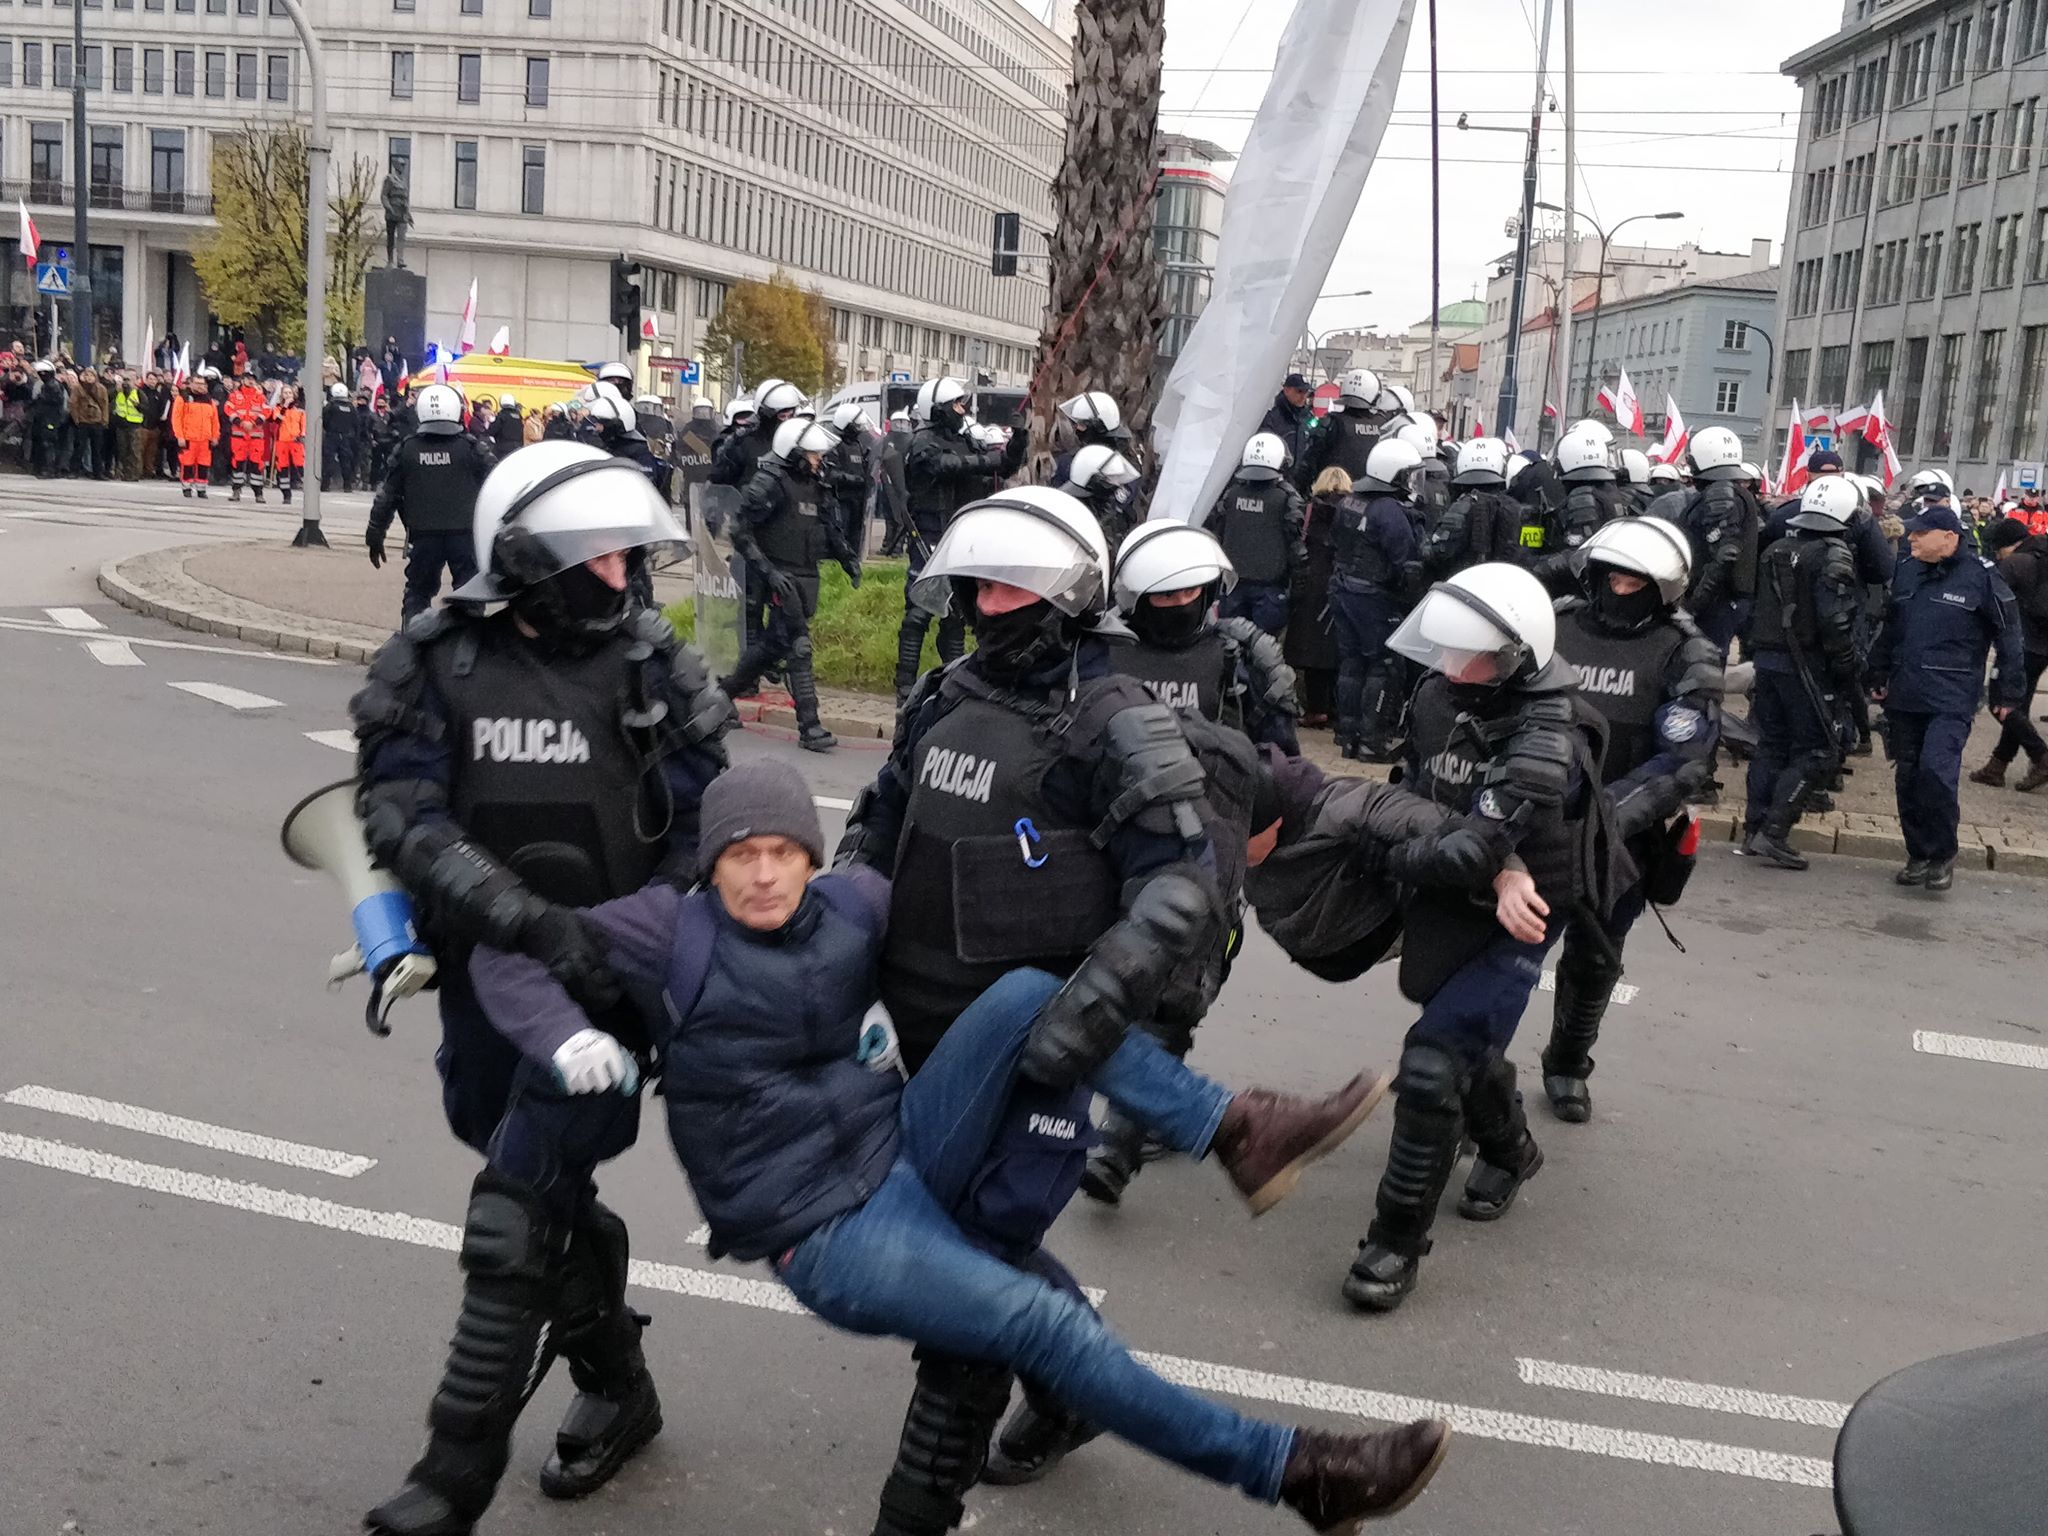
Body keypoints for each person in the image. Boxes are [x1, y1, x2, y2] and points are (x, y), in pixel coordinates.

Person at [468, 759, 1454, 1534]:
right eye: (739, 856)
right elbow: (506, 945)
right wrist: (565, 1036)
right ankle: (1296, 1474)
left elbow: (980, 918)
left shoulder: (854, 903)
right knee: (1045, 1322)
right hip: (816, 1227)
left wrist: (1131, 882)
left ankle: (1235, 1130)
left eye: (781, 851)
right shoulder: (664, 933)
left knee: (1033, 996)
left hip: (895, 1143)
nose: (762, 873)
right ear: (710, 863)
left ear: (812, 857)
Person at [839, 485, 1261, 1536]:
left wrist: (1089, 1007)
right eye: (977, 581)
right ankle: (1072, 1392)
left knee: (970, 1286)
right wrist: (837, 935)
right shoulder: (945, 692)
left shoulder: (1114, 718)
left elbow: (1180, 882)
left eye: (1011, 583)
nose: (988, 601)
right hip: (922, 1033)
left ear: (1067, 593)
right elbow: (878, 821)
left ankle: (915, 1511)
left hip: (1036, 1042)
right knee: (978, 1249)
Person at [350, 442, 734, 1536]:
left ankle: (449, 1480)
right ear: (528, 555)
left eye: (629, 555)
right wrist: (520, 922)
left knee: (511, 1213)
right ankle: (620, 1380)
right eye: (601, 555)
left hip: (612, 996)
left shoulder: (653, 664)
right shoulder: (434, 661)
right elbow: (399, 819)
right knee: (515, 1161)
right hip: (490, 976)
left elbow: (714, 820)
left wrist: (627, 932)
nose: (624, 574)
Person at [1344, 563, 1612, 1313]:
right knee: (1466, 1045)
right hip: (1464, 895)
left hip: (1525, 913)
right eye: (1448, 650)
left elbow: (1467, 843)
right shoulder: (1436, 694)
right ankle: (1510, 1147)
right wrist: (1491, 863)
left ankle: (1394, 1243)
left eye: (1475, 656)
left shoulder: (1547, 729)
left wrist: (1386, 849)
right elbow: (1416, 790)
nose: (1454, 668)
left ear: (1520, 656)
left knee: (1431, 1065)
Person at [1075, 517, 1301, 1214]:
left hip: (1210, 843)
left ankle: (1118, 1142)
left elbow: (1280, 755)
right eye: (1163, 597)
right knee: (1103, 977)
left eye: (1191, 594)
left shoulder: (1244, 656)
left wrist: (1269, 827)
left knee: (1177, 992)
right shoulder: (1098, 649)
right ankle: (1139, 1116)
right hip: (1108, 837)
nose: (1178, 606)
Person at [1537, 517, 1720, 1121]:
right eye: (1610, 573)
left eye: (1634, 579)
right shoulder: (1554, 624)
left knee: (1594, 960)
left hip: (1618, 839)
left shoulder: (1686, 651)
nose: (1619, 586)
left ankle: (1567, 1063)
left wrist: (1604, 817)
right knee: (1497, 960)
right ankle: (1471, 1072)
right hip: (1532, 820)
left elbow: (1684, 761)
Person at [1867, 503, 2027, 891]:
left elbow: (2009, 637)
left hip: (1952, 697)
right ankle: (1918, 853)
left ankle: (1942, 854)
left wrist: (2009, 691)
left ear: (1949, 537)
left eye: (1921, 534)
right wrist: (1876, 672)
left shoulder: (1982, 578)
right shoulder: (1906, 573)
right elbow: (1889, 631)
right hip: (1906, 693)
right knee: (1908, 777)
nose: (1912, 538)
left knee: (1936, 772)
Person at [1741, 478, 1865, 871]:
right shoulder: (1832, 554)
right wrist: (1848, 666)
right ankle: (1773, 833)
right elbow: (1835, 620)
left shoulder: (1777, 547)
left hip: (1769, 658)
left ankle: (1754, 828)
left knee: (1772, 745)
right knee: (1816, 750)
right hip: (1807, 664)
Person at [717, 416, 860, 752]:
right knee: (799, 646)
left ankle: (720, 696)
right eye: (813, 454)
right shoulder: (769, 482)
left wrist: (848, 559)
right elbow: (739, 531)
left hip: (808, 575)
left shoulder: (817, 483)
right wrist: (769, 573)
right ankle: (810, 727)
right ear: (794, 451)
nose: (819, 459)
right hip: (781, 577)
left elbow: (830, 528)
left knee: (772, 646)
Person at [895, 376, 1028, 702]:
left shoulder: (967, 439)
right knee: (918, 612)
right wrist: (990, 459)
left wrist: (1018, 440)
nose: (963, 409)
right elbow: (946, 466)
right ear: (938, 409)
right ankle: (904, 687)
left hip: (959, 535)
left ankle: (954, 683)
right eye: (956, 404)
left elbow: (1003, 466)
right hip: (927, 534)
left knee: (956, 614)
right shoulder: (921, 441)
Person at [366, 382, 497, 623]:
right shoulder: (471, 447)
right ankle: (465, 650)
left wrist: (375, 534)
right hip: (464, 537)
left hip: (424, 536)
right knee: (470, 598)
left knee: (417, 594)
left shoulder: (407, 448)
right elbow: (497, 485)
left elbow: (387, 496)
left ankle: (413, 648)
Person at [1329, 439, 1425, 761]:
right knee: (1384, 666)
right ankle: (1372, 742)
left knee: (1351, 663)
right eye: (1407, 475)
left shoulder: (1348, 501)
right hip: (1373, 596)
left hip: (1342, 590)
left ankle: (1348, 737)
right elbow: (1406, 560)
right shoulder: (1389, 510)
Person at [1973, 518, 2048, 791]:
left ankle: (2041, 755)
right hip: (2043, 645)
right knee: (2018, 705)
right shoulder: (2042, 555)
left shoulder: (2015, 563)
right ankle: (1997, 766)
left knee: (2001, 702)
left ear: (2008, 545)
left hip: (2022, 645)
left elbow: (1989, 600)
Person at [1208, 432, 1307, 637]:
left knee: (1229, 643)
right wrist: (1300, 585)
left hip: (1232, 586)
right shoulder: (1287, 497)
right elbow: (1295, 545)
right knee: (1263, 648)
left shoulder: (1232, 494)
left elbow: (1216, 534)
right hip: (1269, 589)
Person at [1675, 426, 1761, 656]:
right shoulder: (1729, 491)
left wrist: (1694, 604)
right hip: (1725, 599)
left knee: (1704, 662)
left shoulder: (1720, 492)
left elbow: (1725, 555)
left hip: (1718, 602)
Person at [1288, 467, 1347, 727]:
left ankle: (1316, 708)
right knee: (1338, 647)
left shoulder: (1309, 509)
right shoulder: (1353, 510)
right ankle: (1336, 708)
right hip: (1341, 580)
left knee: (1311, 647)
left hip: (1313, 581)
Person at [1426, 438, 1520, 581]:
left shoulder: (1462, 506)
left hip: (1464, 586)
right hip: (1507, 587)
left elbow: (1439, 553)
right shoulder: (1514, 508)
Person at [1051, 440, 1144, 557]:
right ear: (1096, 482)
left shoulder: (1100, 503)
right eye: (1112, 478)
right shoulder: (1069, 511)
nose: (1118, 482)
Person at [1299, 369, 1388, 488]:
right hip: (1370, 497)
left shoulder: (1331, 423)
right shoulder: (1384, 425)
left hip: (1333, 495)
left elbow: (1308, 464)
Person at [1553, 423, 1626, 549]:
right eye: (1609, 452)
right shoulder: (1609, 490)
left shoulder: (1582, 496)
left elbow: (1578, 552)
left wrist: (1543, 565)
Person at [223, 368, 270, 501]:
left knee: (257, 464)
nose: (250, 381)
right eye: (248, 378)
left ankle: (258, 493)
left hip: (255, 436)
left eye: (252, 379)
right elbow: (228, 409)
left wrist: (254, 423)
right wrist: (240, 422)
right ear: (242, 380)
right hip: (239, 435)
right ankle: (236, 490)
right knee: (238, 463)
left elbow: (266, 412)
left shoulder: (260, 396)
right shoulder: (234, 395)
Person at [1259, 372, 1316, 482]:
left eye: (1306, 392)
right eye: (1299, 391)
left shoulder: (1307, 417)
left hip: (1299, 483)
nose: (1303, 396)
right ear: (1286, 390)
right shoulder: (1273, 417)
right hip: (1276, 481)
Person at [170, 376, 219, 497]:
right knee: (187, 464)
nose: (200, 386)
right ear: (190, 384)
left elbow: (214, 421)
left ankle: (201, 489)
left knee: (204, 465)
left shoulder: (209, 400)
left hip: (205, 439)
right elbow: (176, 419)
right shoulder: (182, 398)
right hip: (189, 438)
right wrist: (180, 436)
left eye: (202, 384)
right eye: (197, 383)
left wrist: (215, 436)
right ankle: (187, 488)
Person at [271, 386, 307, 504]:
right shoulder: (277, 408)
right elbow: (277, 421)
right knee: (283, 468)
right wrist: (285, 407)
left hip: (295, 441)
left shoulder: (299, 409)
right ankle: (286, 495)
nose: (287, 395)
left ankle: (306, 489)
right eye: (285, 393)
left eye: (289, 393)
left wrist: (302, 435)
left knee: (300, 465)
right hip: (282, 442)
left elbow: (303, 423)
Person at [321, 383, 357, 491]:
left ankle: (325, 485)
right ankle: (347, 485)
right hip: (345, 436)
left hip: (332, 435)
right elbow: (355, 422)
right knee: (345, 461)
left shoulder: (331, 405)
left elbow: (325, 419)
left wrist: (329, 430)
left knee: (329, 460)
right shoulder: (350, 407)